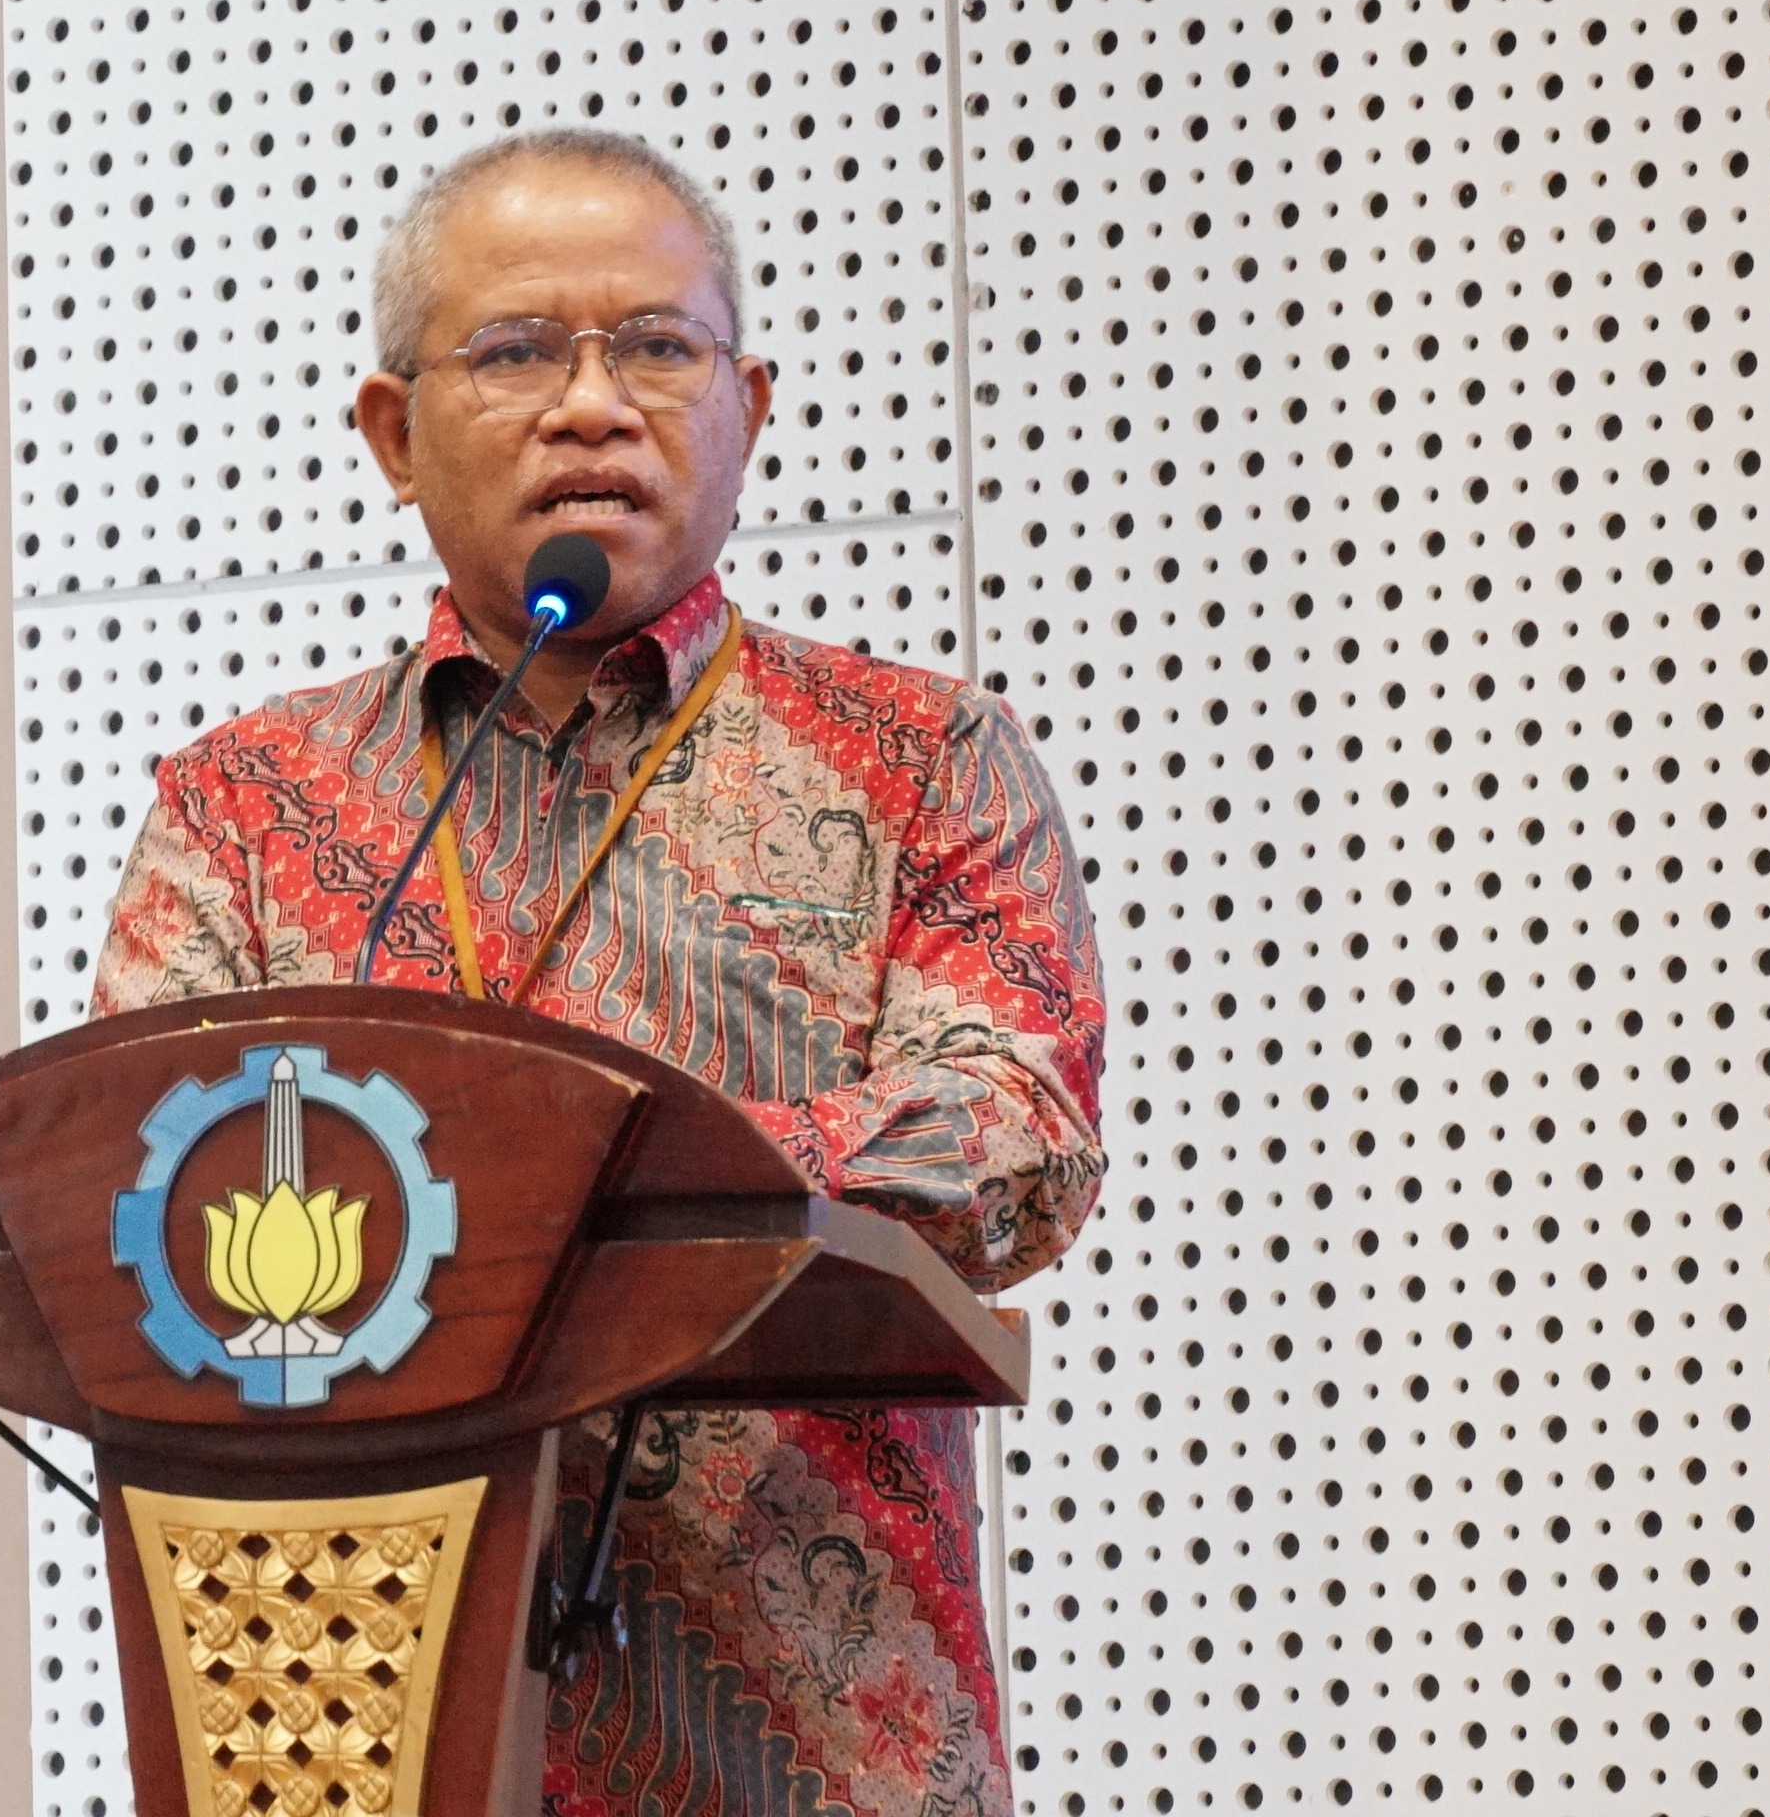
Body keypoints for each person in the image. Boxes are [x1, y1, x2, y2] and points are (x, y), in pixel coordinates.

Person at [92, 128, 1109, 1817]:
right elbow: (143, 1188)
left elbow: (1010, 1140)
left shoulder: (922, 757)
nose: (591, 404)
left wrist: (617, 1179)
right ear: (392, 436)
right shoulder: (249, 807)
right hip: (356, 1724)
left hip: (814, 1750)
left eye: (655, 346)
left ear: (749, 409)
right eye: (513, 352)